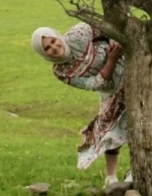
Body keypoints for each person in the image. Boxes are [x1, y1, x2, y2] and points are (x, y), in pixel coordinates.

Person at [31, 23, 129, 185]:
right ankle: (111, 178)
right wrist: (111, 59)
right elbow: (96, 84)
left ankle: (135, 171)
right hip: (110, 91)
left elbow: (106, 26)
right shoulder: (61, 71)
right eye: (47, 48)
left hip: (130, 71)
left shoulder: (78, 34)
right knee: (107, 132)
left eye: (54, 41)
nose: (55, 47)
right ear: (43, 54)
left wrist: (114, 44)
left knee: (137, 125)